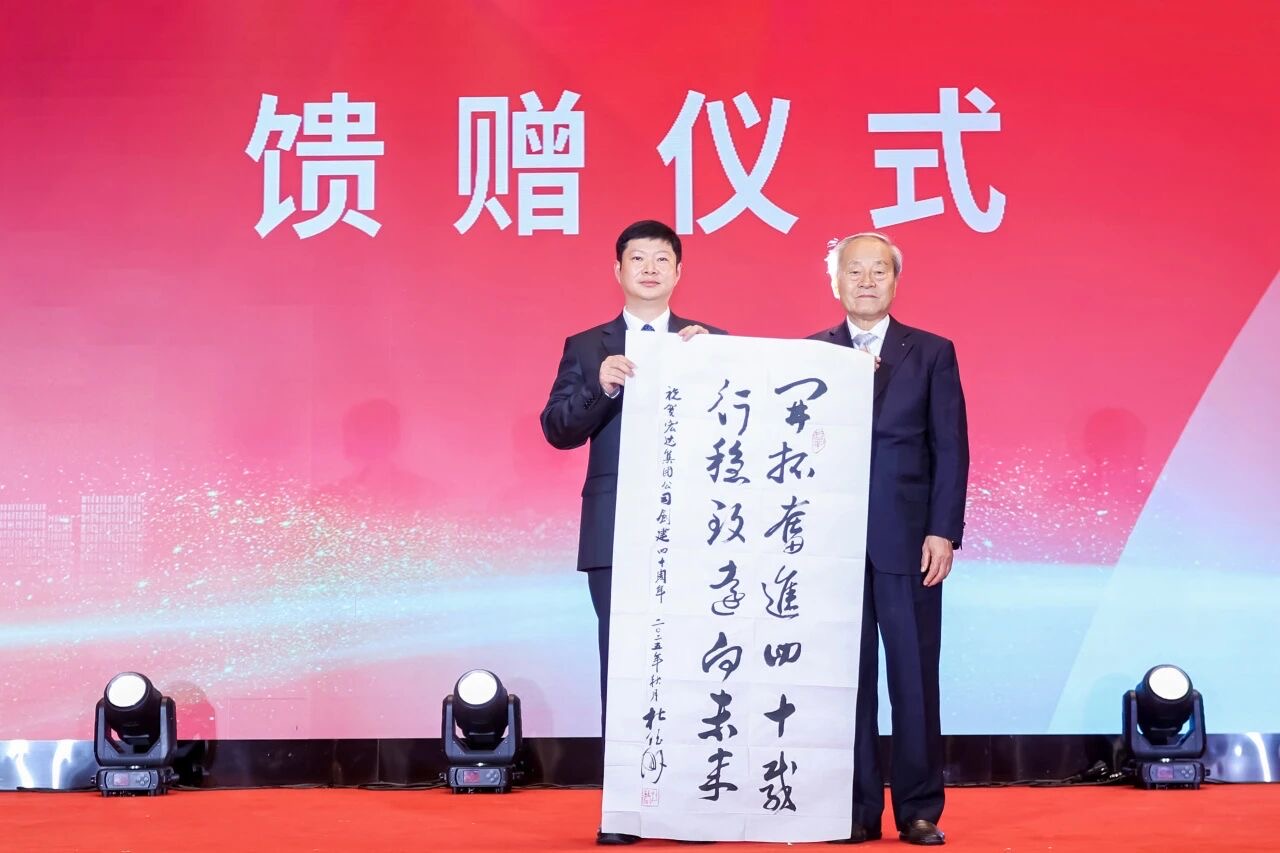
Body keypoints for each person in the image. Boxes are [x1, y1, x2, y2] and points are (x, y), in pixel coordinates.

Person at [541, 219, 725, 846]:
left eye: (662, 258)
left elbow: (737, 433)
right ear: (617, 270)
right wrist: (601, 387)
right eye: (637, 258)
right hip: (616, 531)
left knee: (691, 665)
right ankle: (623, 807)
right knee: (622, 668)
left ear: (679, 271)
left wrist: (713, 373)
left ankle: (691, 801)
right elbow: (558, 429)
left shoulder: (709, 342)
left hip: (693, 534)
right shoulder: (587, 346)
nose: (649, 268)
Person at [810, 232, 969, 846]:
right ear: (836, 282)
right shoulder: (811, 354)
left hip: (907, 542)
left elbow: (950, 447)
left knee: (913, 680)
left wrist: (942, 530)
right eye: (854, 271)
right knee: (845, 683)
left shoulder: (931, 352)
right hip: (832, 546)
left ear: (895, 282)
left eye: (879, 270)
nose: (867, 281)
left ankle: (918, 809)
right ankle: (853, 809)